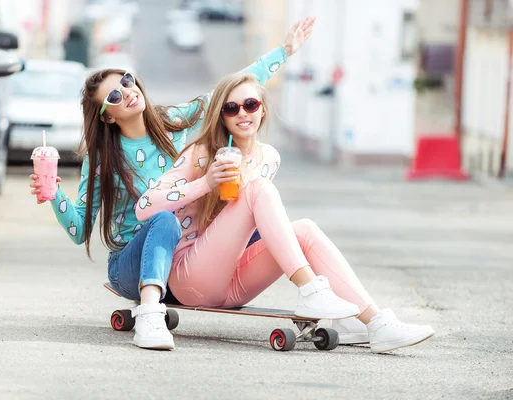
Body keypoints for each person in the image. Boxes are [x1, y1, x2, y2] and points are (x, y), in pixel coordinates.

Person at [29, 17, 317, 351]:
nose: (127, 92)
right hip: (129, 263)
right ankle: (150, 314)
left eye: (126, 81)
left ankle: (321, 297)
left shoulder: (173, 122)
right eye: (115, 96)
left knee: (255, 217)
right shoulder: (103, 159)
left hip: (182, 256)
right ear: (107, 116)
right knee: (162, 219)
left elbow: (229, 95)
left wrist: (285, 51)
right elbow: (79, 231)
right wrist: (53, 195)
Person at [135, 72, 435, 353]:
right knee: (258, 189)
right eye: (231, 108)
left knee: (304, 228)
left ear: (262, 110)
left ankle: (376, 323)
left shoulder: (269, 157)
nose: (243, 113)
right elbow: (144, 206)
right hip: (191, 278)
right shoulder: (200, 154)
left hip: (235, 282)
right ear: (221, 117)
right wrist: (205, 183)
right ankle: (310, 289)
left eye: (250, 104)